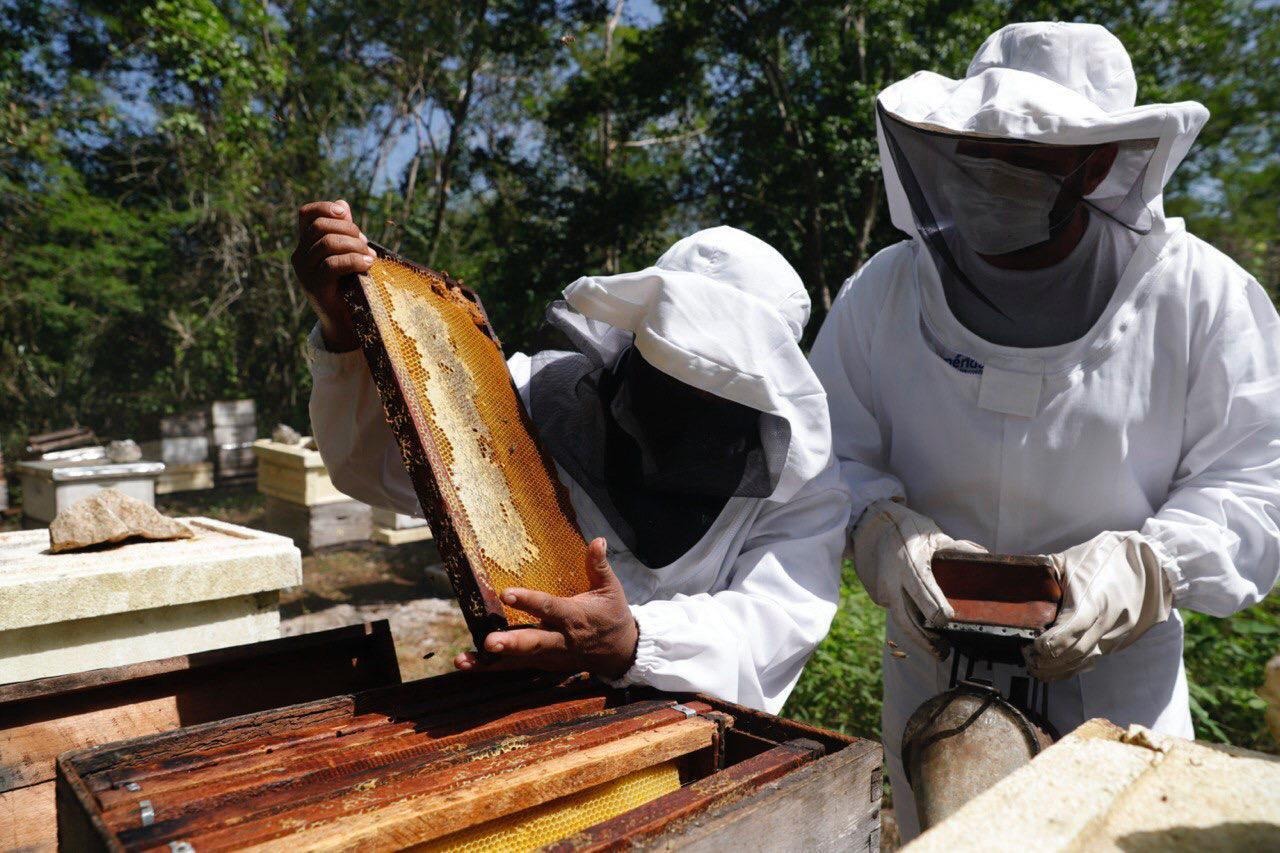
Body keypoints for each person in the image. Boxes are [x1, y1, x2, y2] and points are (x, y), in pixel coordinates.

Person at [808, 21, 1280, 838]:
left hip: (1115, 699)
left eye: (1023, 158)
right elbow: (822, 455)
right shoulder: (883, 292)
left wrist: (1148, 566)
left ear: (1096, 164)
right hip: (929, 687)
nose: (987, 176)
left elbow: (1258, 480)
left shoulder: (1200, 296)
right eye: (974, 152)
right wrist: (882, 529)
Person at [295, 210, 846, 713]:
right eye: (674, 376)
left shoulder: (803, 482)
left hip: (687, 721)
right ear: (636, 341)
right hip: (523, 702)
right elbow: (376, 468)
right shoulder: (527, 397)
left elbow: (778, 620)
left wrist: (632, 641)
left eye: (718, 389)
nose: (690, 406)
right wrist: (345, 325)